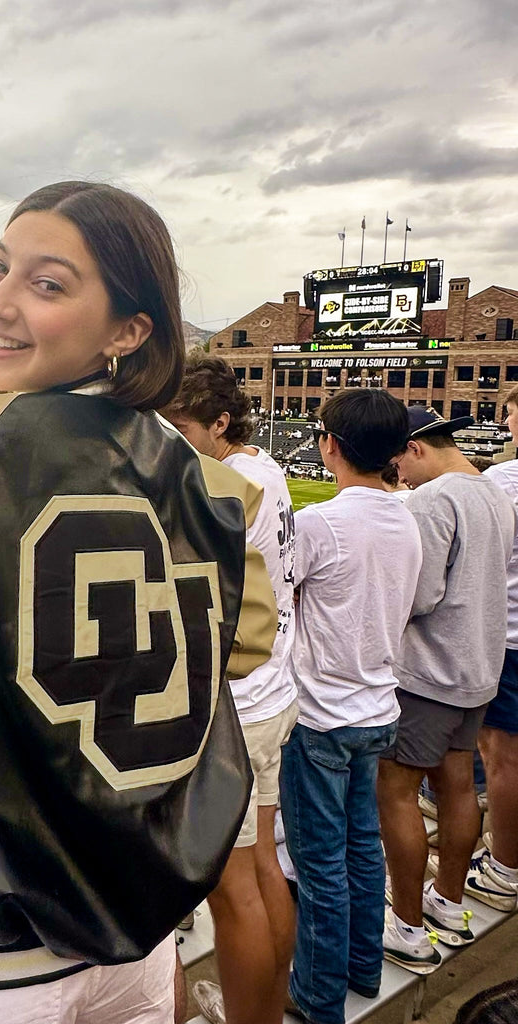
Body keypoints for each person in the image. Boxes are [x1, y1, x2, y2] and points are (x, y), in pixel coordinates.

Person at [0, 181, 277, 1024]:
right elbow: (245, 643)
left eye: (48, 284)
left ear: (129, 330)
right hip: (136, 907)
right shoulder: (205, 476)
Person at [162, 351, 298, 1024]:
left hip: (238, 705)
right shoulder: (261, 468)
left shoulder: (218, 483)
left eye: (179, 427)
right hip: (274, 693)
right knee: (266, 871)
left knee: (232, 890)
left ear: (220, 423)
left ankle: (251, 1015)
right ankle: (265, 1009)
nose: (167, 440)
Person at [279, 389, 422, 1024]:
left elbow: (280, 598)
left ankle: (317, 997)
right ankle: (362, 967)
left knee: (320, 865)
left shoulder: (323, 523)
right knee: (362, 847)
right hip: (375, 707)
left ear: (330, 444)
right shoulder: (406, 517)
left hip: (323, 714)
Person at [380, 407, 516, 972]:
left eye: (398, 464)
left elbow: (421, 595)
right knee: (458, 784)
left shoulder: (435, 500)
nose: (399, 478)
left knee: (395, 793)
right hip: (478, 665)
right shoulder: (492, 489)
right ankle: (449, 903)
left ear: (415, 448)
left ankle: (407, 925)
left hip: (432, 671)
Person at [475, 387, 518, 911]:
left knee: (502, 757)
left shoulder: (502, 481)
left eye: (511, 413)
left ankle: (506, 868)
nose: (506, 424)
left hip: (508, 637)